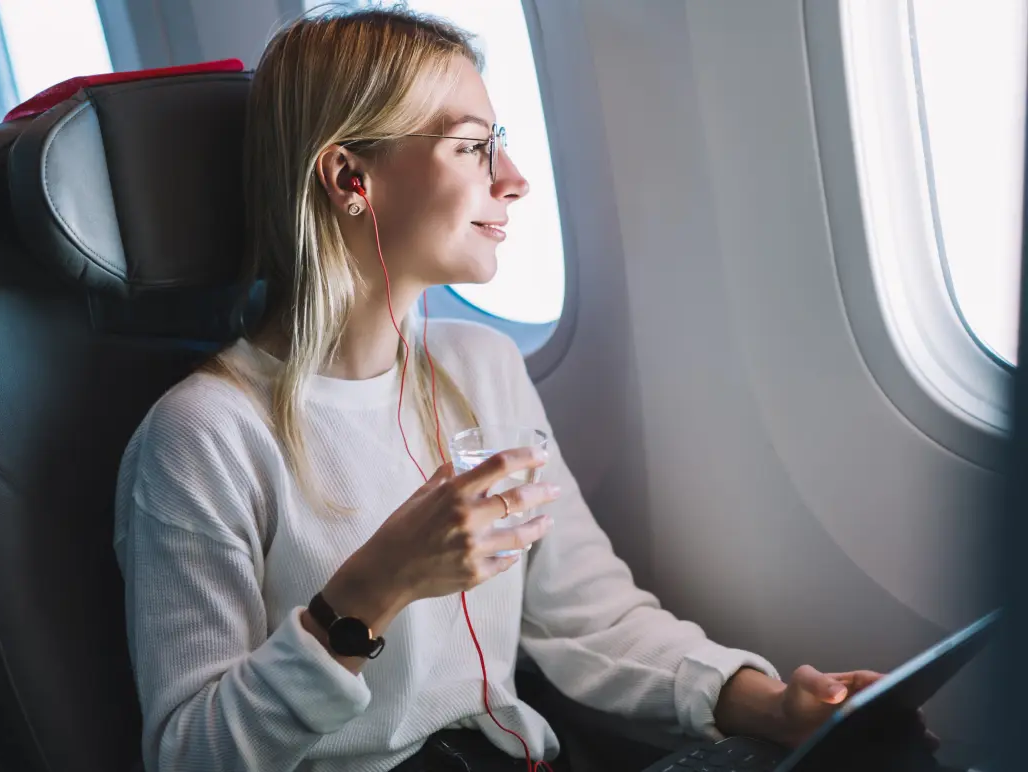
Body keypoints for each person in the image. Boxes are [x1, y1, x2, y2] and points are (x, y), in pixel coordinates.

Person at [112, 8, 931, 771]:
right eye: (473, 147)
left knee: (877, 749)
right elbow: (192, 751)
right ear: (349, 177)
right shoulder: (202, 437)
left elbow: (590, 622)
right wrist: (372, 590)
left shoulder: (482, 370)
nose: (513, 178)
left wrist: (773, 706)